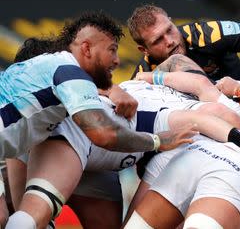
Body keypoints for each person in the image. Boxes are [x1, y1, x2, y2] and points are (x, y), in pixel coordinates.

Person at [0, 12, 195, 229]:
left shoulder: (46, 72)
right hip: (66, 152)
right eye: (112, 50)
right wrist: (156, 141)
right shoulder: (69, 74)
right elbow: (105, 134)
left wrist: (112, 89)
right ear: (86, 48)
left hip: (84, 162)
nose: (117, 61)